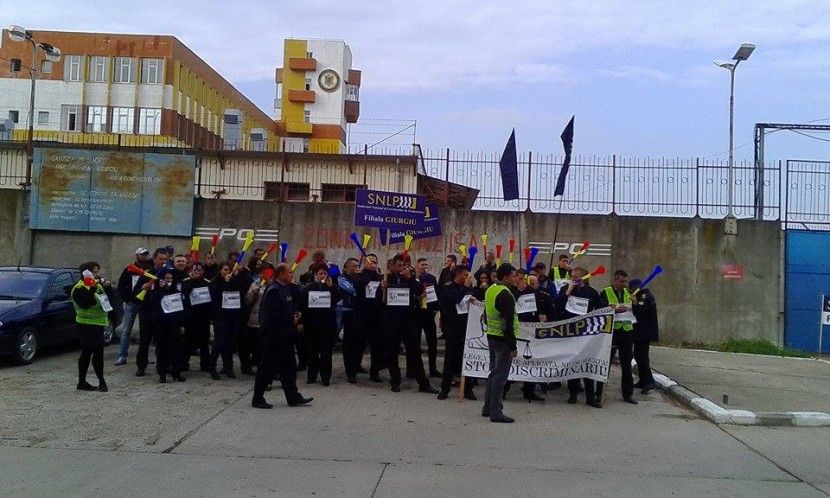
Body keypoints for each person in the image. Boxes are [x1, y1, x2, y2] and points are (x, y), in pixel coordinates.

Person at [252, 263, 313, 409]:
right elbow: (272, 315)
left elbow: (287, 307)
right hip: (274, 337)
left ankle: (293, 397)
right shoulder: (274, 290)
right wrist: (291, 320)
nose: (292, 275)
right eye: (289, 272)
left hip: (285, 336)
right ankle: (257, 398)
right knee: (266, 368)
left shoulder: (285, 288)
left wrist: (295, 314)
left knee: (289, 368)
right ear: (280, 274)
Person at [380, 254, 438, 394]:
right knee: (392, 351)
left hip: (409, 320)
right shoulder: (387, 278)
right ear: (392, 265)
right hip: (392, 320)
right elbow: (380, 301)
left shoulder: (411, 278)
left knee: (414, 352)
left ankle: (423, 383)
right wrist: (382, 289)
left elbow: (420, 291)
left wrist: (410, 278)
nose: (401, 268)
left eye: (404, 266)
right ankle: (395, 381)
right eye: (399, 265)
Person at [553, 266, 603, 407]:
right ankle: (573, 393)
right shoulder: (566, 289)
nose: (573, 278)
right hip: (570, 332)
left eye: (576, 276)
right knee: (572, 363)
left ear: (584, 278)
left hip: (586, 333)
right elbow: (557, 305)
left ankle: (590, 397)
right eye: (572, 276)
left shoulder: (591, 292)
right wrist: (568, 291)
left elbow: (601, 309)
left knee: (587, 363)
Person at [482, 263, 520, 423]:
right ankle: (496, 412)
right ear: (505, 277)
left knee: (493, 373)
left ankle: (487, 407)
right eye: (513, 276)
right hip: (502, 340)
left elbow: (486, 313)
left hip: (492, 335)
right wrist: (512, 345)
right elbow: (506, 323)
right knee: (500, 377)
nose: (516, 278)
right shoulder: (505, 294)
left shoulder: (491, 289)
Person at [598, 269, 639, 405]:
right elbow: (600, 309)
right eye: (621, 281)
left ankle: (628, 394)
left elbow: (636, 311)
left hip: (627, 331)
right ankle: (599, 393)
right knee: (606, 363)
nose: (624, 284)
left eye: (625, 281)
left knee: (626, 364)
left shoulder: (629, 293)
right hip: (612, 332)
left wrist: (635, 304)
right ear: (615, 280)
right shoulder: (606, 292)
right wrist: (613, 309)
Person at [437, 266, 476, 400]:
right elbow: (455, 300)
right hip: (452, 328)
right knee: (450, 360)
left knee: (466, 359)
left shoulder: (468, 288)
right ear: (458, 275)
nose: (467, 277)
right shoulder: (448, 287)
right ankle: (445, 389)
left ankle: (468, 389)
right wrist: (465, 288)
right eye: (465, 275)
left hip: (466, 328)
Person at [72, 262, 110, 392]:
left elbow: (105, 299)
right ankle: (92, 381)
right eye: (94, 272)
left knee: (95, 352)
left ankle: (91, 381)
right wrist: (92, 288)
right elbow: (87, 303)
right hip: (85, 324)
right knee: (90, 351)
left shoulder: (97, 285)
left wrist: (107, 287)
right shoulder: (79, 288)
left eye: (97, 272)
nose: (97, 275)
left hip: (98, 323)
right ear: (86, 273)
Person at [301, 262, 339, 385]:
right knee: (312, 352)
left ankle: (325, 377)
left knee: (326, 353)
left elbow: (337, 299)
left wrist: (331, 287)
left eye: (325, 273)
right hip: (312, 324)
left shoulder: (332, 287)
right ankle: (311, 376)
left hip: (327, 325)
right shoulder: (308, 288)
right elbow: (303, 306)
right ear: (315, 275)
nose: (323, 276)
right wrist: (303, 322)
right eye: (320, 273)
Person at [208, 262, 247, 379]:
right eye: (225, 270)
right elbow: (217, 296)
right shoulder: (215, 282)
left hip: (233, 316)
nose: (227, 272)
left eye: (229, 270)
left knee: (230, 343)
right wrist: (225, 282)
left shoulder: (234, 280)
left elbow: (243, 289)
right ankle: (212, 367)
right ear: (220, 270)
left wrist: (240, 274)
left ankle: (228, 367)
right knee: (218, 343)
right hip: (221, 317)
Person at [114, 246, 151, 366]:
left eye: (145, 254)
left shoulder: (150, 269)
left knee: (145, 331)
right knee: (126, 330)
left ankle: (144, 357)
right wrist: (127, 299)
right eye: (142, 254)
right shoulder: (129, 270)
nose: (144, 256)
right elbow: (121, 286)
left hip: (145, 304)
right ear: (137, 255)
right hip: (132, 304)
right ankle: (122, 356)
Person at [148, 269, 186, 383]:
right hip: (161, 325)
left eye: (171, 278)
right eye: (166, 278)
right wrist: (160, 289)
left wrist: (181, 324)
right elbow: (153, 303)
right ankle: (162, 374)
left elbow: (181, 310)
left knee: (177, 350)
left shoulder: (176, 292)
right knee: (162, 351)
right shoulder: (156, 291)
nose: (169, 280)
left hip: (174, 325)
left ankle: (177, 373)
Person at [135, 248, 168, 377]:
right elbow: (136, 291)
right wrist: (143, 287)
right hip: (147, 312)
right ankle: (141, 366)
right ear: (154, 259)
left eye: (165, 259)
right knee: (144, 341)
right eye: (161, 259)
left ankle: (162, 367)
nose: (163, 261)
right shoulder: (147, 274)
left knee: (161, 342)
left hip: (162, 312)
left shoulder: (167, 273)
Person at [355, 253, 385, 382]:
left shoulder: (381, 277)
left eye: (375, 262)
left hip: (376, 316)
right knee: (359, 345)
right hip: (363, 315)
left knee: (376, 346)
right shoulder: (360, 276)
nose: (373, 264)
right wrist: (366, 272)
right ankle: (354, 370)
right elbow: (359, 287)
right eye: (370, 261)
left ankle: (375, 372)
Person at [243, 261, 274, 375]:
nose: (262, 275)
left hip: (270, 321)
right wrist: (253, 294)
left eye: (265, 272)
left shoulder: (274, 285)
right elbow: (247, 301)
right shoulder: (255, 284)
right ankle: (255, 365)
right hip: (256, 320)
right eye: (261, 272)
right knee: (256, 346)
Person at [181, 262, 212, 372]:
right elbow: (184, 297)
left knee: (204, 342)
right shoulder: (186, 282)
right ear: (191, 271)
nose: (197, 272)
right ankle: (183, 363)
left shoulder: (207, 283)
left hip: (203, 317)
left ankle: (205, 365)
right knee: (188, 342)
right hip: (190, 317)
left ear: (203, 271)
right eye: (195, 270)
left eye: (200, 270)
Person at [629, 278, 659, 394]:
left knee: (642, 358)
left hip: (644, 333)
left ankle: (650, 382)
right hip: (640, 332)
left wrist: (635, 303)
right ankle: (643, 380)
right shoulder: (641, 296)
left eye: (631, 289)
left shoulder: (645, 297)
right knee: (638, 356)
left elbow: (640, 313)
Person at [415, 258, 441, 377]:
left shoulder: (431, 278)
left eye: (426, 265)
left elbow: (436, 294)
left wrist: (435, 309)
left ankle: (433, 369)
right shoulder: (414, 278)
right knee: (415, 344)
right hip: (417, 314)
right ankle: (414, 370)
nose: (425, 267)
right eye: (422, 265)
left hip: (429, 314)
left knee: (432, 343)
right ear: (417, 266)